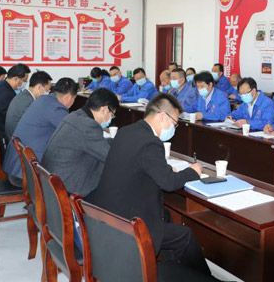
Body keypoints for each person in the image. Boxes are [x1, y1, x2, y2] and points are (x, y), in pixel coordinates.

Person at [86, 94, 211, 276]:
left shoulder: (127, 131)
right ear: (162, 116)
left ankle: (173, 270)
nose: (174, 128)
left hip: (108, 212)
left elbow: (141, 165)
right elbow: (169, 183)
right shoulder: (151, 142)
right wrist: (193, 171)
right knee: (185, 235)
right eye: (175, 123)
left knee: (166, 215)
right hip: (128, 223)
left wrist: (165, 170)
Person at [3, 78, 78, 187]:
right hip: (25, 175)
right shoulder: (56, 108)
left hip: (16, 168)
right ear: (68, 97)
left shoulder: (43, 100)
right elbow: (74, 133)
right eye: (74, 99)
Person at [42, 88, 118, 196]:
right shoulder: (88, 125)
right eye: (112, 114)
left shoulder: (75, 115)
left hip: (51, 181)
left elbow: (94, 142)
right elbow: (109, 156)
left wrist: (113, 141)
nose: (111, 118)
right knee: (112, 167)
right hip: (65, 188)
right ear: (104, 109)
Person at [0, 63, 31, 156]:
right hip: (2, 137)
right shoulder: (6, 94)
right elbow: (12, 120)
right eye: (24, 81)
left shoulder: (2, 87)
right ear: (16, 78)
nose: (25, 84)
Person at [5, 70, 53, 141]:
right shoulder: (27, 102)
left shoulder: (25, 96)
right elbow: (36, 126)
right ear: (39, 87)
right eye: (47, 90)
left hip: (16, 138)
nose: (48, 93)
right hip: (18, 142)